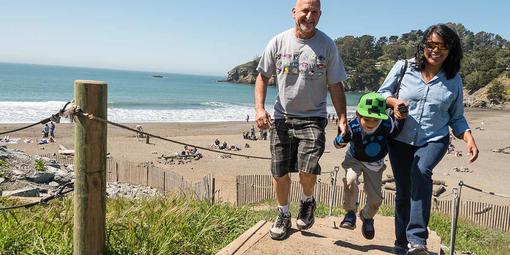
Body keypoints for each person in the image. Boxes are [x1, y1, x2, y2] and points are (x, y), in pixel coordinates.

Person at [378, 24, 479, 254]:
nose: (435, 50)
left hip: (434, 139)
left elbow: (457, 118)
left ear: (451, 49)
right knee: (404, 192)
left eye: (442, 46)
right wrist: (394, 103)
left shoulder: (454, 80)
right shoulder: (404, 67)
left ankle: (417, 239)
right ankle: (401, 244)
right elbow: (382, 93)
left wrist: (469, 138)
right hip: (400, 138)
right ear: (423, 45)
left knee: (421, 170)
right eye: (431, 45)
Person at [254, 0, 348, 240]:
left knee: (308, 169)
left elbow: (335, 84)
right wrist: (259, 109)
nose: (309, 16)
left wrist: (342, 119)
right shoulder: (278, 41)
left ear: (320, 14)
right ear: (293, 12)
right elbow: (262, 77)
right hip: (282, 117)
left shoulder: (327, 45)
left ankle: (307, 200)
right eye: (305, 10)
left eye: (314, 11)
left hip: (313, 117)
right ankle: (283, 213)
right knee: (279, 171)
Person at [334, 93, 405, 240]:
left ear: (382, 116)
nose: (371, 123)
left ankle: (367, 217)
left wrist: (401, 115)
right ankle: (350, 213)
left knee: (375, 199)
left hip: (375, 163)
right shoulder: (353, 127)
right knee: (350, 180)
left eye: (375, 119)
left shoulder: (387, 125)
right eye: (367, 119)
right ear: (359, 114)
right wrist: (340, 140)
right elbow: (338, 142)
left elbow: (397, 128)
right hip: (354, 158)